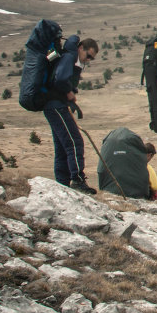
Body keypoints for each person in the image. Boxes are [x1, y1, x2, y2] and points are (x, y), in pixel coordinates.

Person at [44, 36, 99, 194]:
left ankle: (62, 184)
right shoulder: (69, 57)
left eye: (91, 58)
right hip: (56, 105)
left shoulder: (70, 59)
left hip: (53, 105)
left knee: (62, 146)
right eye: (88, 56)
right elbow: (60, 79)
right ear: (80, 47)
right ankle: (77, 179)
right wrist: (69, 92)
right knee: (75, 142)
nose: (88, 60)